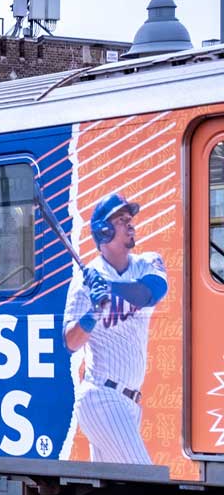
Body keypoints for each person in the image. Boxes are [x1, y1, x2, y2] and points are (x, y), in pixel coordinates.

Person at [63, 193, 168, 465]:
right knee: (144, 478)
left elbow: (152, 292)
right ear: (103, 230)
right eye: (121, 220)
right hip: (101, 396)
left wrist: (109, 288)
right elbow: (71, 342)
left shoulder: (147, 262)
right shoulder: (84, 282)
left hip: (130, 403)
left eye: (129, 219)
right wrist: (94, 311)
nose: (130, 224)